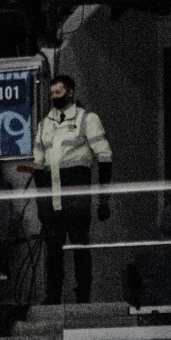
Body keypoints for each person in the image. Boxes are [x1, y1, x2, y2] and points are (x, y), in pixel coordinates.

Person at [32, 74, 112, 306]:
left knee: (79, 247)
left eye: (58, 92)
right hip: (52, 197)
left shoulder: (87, 119)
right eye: (52, 93)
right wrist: (41, 201)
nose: (54, 96)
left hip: (75, 195)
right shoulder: (45, 124)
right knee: (53, 250)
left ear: (70, 92)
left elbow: (105, 157)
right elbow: (38, 164)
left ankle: (82, 297)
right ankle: (53, 297)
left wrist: (103, 199)